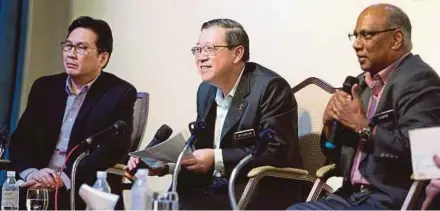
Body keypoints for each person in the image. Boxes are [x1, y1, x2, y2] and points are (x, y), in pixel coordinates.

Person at [127, 18, 303, 209]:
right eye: (198, 50)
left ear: (237, 53)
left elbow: (275, 151)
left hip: (259, 188)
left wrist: (216, 158)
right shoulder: (206, 91)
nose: (200, 57)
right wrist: (164, 164)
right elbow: (200, 145)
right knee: (165, 203)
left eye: (210, 49)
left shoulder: (270, 88)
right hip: (217, 187)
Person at [288, 3, 440, 210]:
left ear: (396, 39)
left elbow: (426, 157)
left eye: (366, 35)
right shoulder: (361, 84)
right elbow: (334, 154)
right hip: (350, 196)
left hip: (391, 198)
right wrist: (329, 126)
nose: (357, 44)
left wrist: (364, 128)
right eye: (355, 36)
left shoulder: (419, 80)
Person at [9, 16, 137, 210]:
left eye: (81, 48)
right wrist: (32, 172)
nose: (71, 54)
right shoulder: (45, 87)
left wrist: (64, 178)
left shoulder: (119, 93)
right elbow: (21, 140)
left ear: (103, 58)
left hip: (81, 191)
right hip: (36, 187)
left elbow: (113, 149)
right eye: (68, 46)